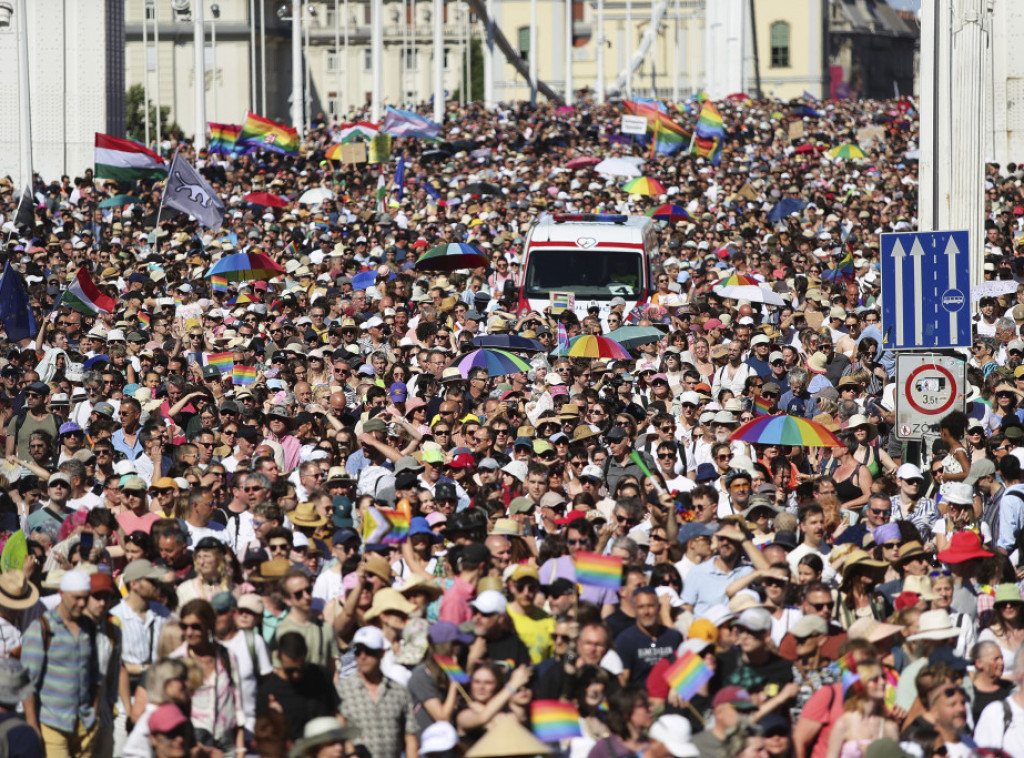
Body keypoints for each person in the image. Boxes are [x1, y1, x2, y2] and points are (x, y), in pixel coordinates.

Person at [21, 570, 100, 758]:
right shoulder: (41, 628)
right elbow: (27, 683)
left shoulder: (88, 627)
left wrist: (94, 714)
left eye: (85, 598)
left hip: (85, 725)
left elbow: (94, 673)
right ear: (62, 594)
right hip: (53, 724)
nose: (82, 603)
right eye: (76, 598)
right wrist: (33, 726)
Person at [336, 625, 418, 758]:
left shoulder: (399, 692)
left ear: (382, 653)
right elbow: (340, 734)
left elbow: (410, 738)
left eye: (369, 651)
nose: (363, 657)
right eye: (358, 651)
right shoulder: (342, 691)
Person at [824, 658, 899, 758]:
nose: (882, 682)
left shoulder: (889, 726)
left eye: (883, 677)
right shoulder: (843, 724)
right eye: (875, 679)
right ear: (862, 683)